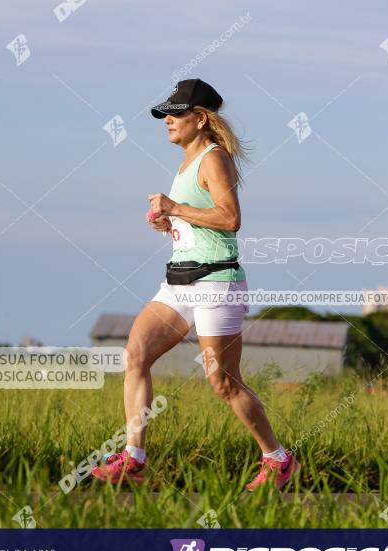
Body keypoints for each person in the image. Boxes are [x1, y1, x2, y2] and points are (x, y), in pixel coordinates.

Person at [91, 79, 300, 489]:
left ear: (200, 118)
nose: (167, 120)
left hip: (216, 281)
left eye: (177, 113)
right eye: (165, 114)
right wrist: (168, 222)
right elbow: (198, 220)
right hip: (178, 283)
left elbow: (230, 218)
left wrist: (175, 207)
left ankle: (278, 458)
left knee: (222, 382)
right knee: (134, 355)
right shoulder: (187, 163)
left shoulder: (213, 158)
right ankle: (133, 457)